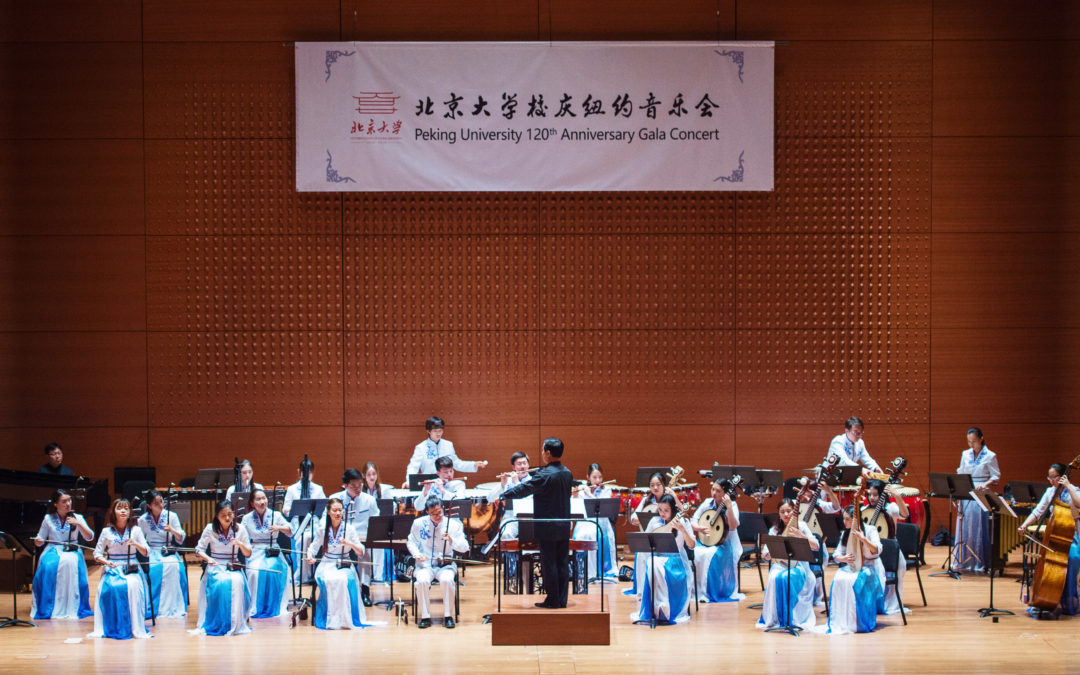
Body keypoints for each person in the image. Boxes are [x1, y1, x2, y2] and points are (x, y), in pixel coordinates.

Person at [500, 437, 573, 609]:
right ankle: (562, 599)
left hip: (547, 525)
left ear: (548, 453)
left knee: (550, 563)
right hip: (564, 524)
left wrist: (505, 494)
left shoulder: (545, 474)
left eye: (542, 450)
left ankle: (553, 600)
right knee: (562, 561)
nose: (542, 453)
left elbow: (525, 489)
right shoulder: (567, 472)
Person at [1017, 463, 1080, 616]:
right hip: (1055, 537)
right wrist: (1024, 525)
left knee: (1072, 558)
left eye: (1054, 477)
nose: (1051, 481)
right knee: (1048, 566)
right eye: (1049, 477)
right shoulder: (1050, 492)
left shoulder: (1075, 491)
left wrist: (1069, 486)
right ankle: (1047, 596)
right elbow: (1038, 511)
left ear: (1063, 476)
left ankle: (1070, 599)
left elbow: (1079, 503)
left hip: (1072, 537)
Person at [88, 498, 150, 639]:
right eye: (119, 508)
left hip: (131, 567)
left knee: (132, 585)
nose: (123, 511)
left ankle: (132, 626)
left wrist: (136, 544)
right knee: (112, 588)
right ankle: (113, 623)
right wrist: (106, 562)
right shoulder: (106, 531)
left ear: (130, 512)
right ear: (113, 512)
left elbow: (147, 552)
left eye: (126, 508)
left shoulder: (136, 530)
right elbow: (97, 554)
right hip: (113, 567)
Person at [756, 498, 819, 631]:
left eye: (788, 511)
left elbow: (816, 546)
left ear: (794, 512)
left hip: (800, 566)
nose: (785, 514)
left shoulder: (801, 526)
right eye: (782, 511)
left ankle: (791, 618)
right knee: (774, 577)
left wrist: (802, 536)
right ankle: (776, 618)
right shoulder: (774, 529)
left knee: (786, 578)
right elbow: (765, 554)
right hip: (780, 565)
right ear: (778, 513)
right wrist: (770, 554)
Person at [31, 488, 94, 620]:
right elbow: (40, 540)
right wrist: (38, 541)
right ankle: (49, 605)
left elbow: (90, 537)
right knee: (48, 565)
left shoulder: (78, 517)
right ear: (56, 504)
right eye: (64, 501)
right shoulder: (48, 518)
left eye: (69, 500)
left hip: (72, 549)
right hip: (53, 548)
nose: (68, 504)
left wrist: (79, 524)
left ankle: (72, 604)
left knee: (70, 562)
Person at [631, 494, 694, 625]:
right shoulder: (654, 522)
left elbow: (692, 545)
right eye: (660, 510)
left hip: (676, 562)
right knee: (652, 563)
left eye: (666, 510)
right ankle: (656, 608)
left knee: (654, 565)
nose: (662, 513)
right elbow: (646, 539)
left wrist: (682, 529)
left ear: (673, 510)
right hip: (658, 558)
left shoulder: (682, 522)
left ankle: (664, 608)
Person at [191, 500, 252, 636]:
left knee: (236, 581)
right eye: (223, 515)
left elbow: (248, 553)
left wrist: (240, 544)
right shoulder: (210, 529)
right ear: (217, 516)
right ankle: (218, 621)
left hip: (233, 565)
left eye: (230, 514)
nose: (227, 518)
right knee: (220, 583)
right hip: (215, 564)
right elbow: (198, 550)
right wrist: (208, 559)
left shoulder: (240, 529)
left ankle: (234, 622)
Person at [306, 497, 368, 630]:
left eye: (340, 510)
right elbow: (313, 548)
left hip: (344, 563)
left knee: (342, 579)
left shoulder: (349, 529)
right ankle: (332, 618)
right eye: (335, 510)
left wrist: (349, 543)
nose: (338, 513)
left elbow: (361, 551)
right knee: (330, 579)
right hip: (326, 563)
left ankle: (344, 619)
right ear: (328, 512)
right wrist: (310, 556)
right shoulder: (322, 529)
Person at [407, 496, 469, 628]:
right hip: (425, 565)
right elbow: (411, 541)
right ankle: (425, 616)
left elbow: (465, 547)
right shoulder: (418, 523)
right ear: (427, 513)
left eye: (439, 512)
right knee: (422, 581)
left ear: (444, 509)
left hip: (445, 565)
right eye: (433, 514)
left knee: (447, 580)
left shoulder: (454, 525)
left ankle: (448, 616)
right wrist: (417, 554)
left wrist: (452, 540)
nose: (437, 516)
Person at [824, 505, 883, 634]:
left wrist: (863, 539)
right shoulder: (846, 533)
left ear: (855, 520)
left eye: (847, 519)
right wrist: (843, 558)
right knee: (839, 579)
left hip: (869, 568)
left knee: (856, 581)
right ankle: (844, 619)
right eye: (843, 519)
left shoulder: (870, 529)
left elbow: (877, 550)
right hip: (852, 567)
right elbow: (836, 554)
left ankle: (859, 621)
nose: (844, 522)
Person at [328, 468, 379, 606]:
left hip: (361, 537)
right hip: (340, 538)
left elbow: (376, 521)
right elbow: (325, 520)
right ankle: (339, 591)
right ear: (345, 485)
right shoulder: (335, 499)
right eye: (353, 486)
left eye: (360, 485)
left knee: (365, 555)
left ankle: (365, 591)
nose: (358, 488)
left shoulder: (369, 500)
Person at [954, 427, 1000, 574]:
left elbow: (995, 477)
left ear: (981, 439)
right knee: (965, 526)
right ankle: (963, 560)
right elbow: (961, 471)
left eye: (974, 441)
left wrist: (985, 484)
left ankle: (980, 561)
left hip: (981, 492)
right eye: (969, 441)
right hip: (967, 490)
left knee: (979, 526)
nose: (971, 444)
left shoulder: (990, 456)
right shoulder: (965, 454)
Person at [136, 489, 188, 618]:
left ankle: (173, 605)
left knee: (175, 567)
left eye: (161, 501)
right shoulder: (142, 520)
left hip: (167, 550)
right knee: (154, 568)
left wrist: (173, 530)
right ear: (149, 505)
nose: (161, 505)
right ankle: (154, 605)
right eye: (156, 503)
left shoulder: (172, 516)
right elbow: (141, 539)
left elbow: (181, 537)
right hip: (151, 550)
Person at [241, 489, 292, 618]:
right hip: (256, 550)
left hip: (273, 549)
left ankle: (275, 604)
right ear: (252, 503)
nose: (262, 501)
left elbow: (291, 529)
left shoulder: (276, 515)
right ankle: (255, 605)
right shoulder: (247, 518)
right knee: (255, 572)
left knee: (277, 569)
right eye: (258, 499)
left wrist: (278, 528)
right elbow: (241, 534)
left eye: (264, 498)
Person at [690, 478, 743, 602]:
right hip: (707, 540)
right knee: (696, 553)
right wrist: (699, 528)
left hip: (726, 543)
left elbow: (733, 526)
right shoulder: (708, 502)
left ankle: (710, 591)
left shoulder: (732, 505)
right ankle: (696, 590)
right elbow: (694, 519)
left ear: (725, 493)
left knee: (709, 555)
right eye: (713, 489)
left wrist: (729, 507)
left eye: (718, 491)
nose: (714, 493)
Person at [864, 479, 910, 615]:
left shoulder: (891, 508)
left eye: (875, 495)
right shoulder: (864, 510)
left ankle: (890, 604)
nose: (872, 498)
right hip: (872, 551)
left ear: (881, 495)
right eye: (869, 494)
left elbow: (905, 514)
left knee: (898, 569)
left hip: (890, 549)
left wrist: (897, 496)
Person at [488, 452, 531, 590]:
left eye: (525, 463)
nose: (523, 466)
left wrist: (517, 483)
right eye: (519, 464)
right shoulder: (508, 482)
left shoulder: (532, 482)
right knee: (506, 535)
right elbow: (489, 498)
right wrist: (502, 485)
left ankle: (526, 571)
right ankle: (511, 571)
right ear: (513, 467)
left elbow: (528, 502)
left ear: (528, 465)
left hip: (529, 520)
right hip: (511, 519)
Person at [404, 416, 488, 484]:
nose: (438, 433)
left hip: (446, 483)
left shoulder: (448, 445)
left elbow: (456, 463)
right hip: (430, 484)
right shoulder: (421, 447)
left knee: (460, 485)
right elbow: (413, 466)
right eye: (435, 431)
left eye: (440, 431)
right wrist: (409, 481)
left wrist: (474, 464)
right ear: (428, 431)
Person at [282, 456, 326, 585]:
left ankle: (311, 574)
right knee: (303, 539)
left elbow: (323, 508)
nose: (307, 475)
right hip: (298, 524)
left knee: (310, 537)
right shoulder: (292, 489)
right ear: (299, 472)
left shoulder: (318, 489)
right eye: (304, 472)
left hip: (314, 523)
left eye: (310, 472)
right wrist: (296, 508)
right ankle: (303, 575)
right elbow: (285, 509)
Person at [571, 463, 617, 580]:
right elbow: (575, 509)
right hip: (585, 523)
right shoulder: (582, 489)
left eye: (600, 477)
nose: (597, 480)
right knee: (585, 534)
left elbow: (601, 507)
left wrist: (589, 494)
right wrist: (575, 495)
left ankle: (598, 570)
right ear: (588, 477)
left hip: (601, 523)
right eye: (594, 477)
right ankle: (584, 570)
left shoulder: (606, 490)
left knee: (594, 534)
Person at [361, 462, 395, 584]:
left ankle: (378, 576)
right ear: (363, 475)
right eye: (369, 474)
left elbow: (390, 508)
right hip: (364, 526)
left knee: (379, 545)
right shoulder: (361, 490)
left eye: (374, 474)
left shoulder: (384, 490)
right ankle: (366, 576)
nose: (372, 477)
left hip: (380, 525)